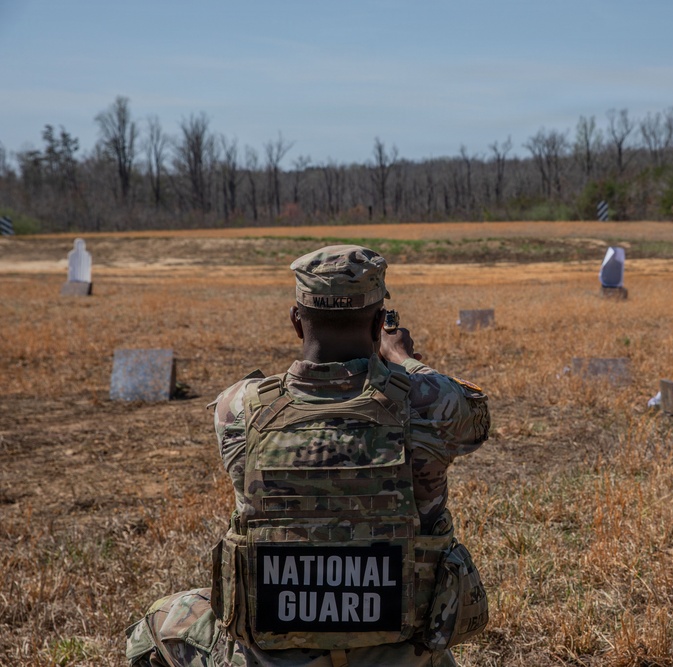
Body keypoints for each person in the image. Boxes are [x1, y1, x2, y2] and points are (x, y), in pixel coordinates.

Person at [126, 245, 491, 667]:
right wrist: (403, 360)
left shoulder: (239, 408)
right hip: (401, 655)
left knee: (159, 622)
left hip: (275, 658)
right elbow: (477, 419)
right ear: (378, 323)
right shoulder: (429, 403)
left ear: (296, 322)